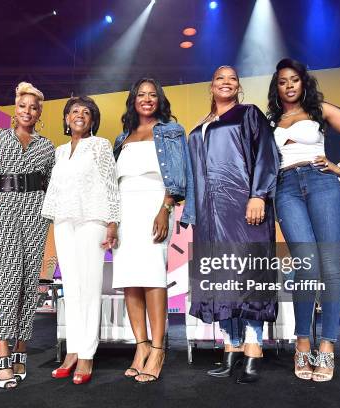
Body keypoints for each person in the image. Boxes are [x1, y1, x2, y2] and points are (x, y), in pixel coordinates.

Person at [267, 58, 340, 382]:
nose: (289, 86)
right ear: (277, 87)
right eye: (283, 81)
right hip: (285, 188)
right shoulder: (271, 121)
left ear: (303, 82)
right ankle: (303, 341)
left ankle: (326, 346)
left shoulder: (319, 110)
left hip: (321, 182)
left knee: (329, 264)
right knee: (306, 264)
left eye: (294, 80)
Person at [183, 65, 279, 383]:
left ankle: (253, 349)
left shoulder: (249, 114)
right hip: (211, 218)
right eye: (219, 78)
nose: (226, 82)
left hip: (245, 209)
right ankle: (232, 347)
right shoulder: (200, 126)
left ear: (238, 87)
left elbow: (267, 154)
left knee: (249, 278)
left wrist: (259, 196)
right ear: (210, 87)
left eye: (232, 78)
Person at [112, 78, 194, 383]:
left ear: (159, 100)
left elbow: (179, 175)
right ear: (133, 101)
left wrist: (166, 207)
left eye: (152, 95)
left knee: (151, 276)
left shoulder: (172, 131)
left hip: (154, 205)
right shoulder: (122, 138)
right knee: (129, 280)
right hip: (124, 209)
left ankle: (158, 349)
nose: (147, 99)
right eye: (141, 95)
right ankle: (141, 346)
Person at [41, 96, 120, 385]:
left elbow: (111, 185)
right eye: (74, 111)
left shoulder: (100, 146)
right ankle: (72, 350)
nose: (80, 115)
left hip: (92, 220)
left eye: (86, 112)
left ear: (92, 120)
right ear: (66, 118)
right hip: (64, 221)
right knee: (70, 290)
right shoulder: (60, 151)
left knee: (88, 288)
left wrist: (113, 222)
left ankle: (87, 354)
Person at [0, 82, 55, 388]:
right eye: (23, 106)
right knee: (11, 277)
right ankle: (2, 351)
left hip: (36, 212)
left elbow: (54, 188)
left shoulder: (47, 147)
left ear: (39, 112)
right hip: (3, 208)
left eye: (34, 107)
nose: (28, 111)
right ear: (15, 109)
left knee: (30, 282)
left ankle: (21, 347)